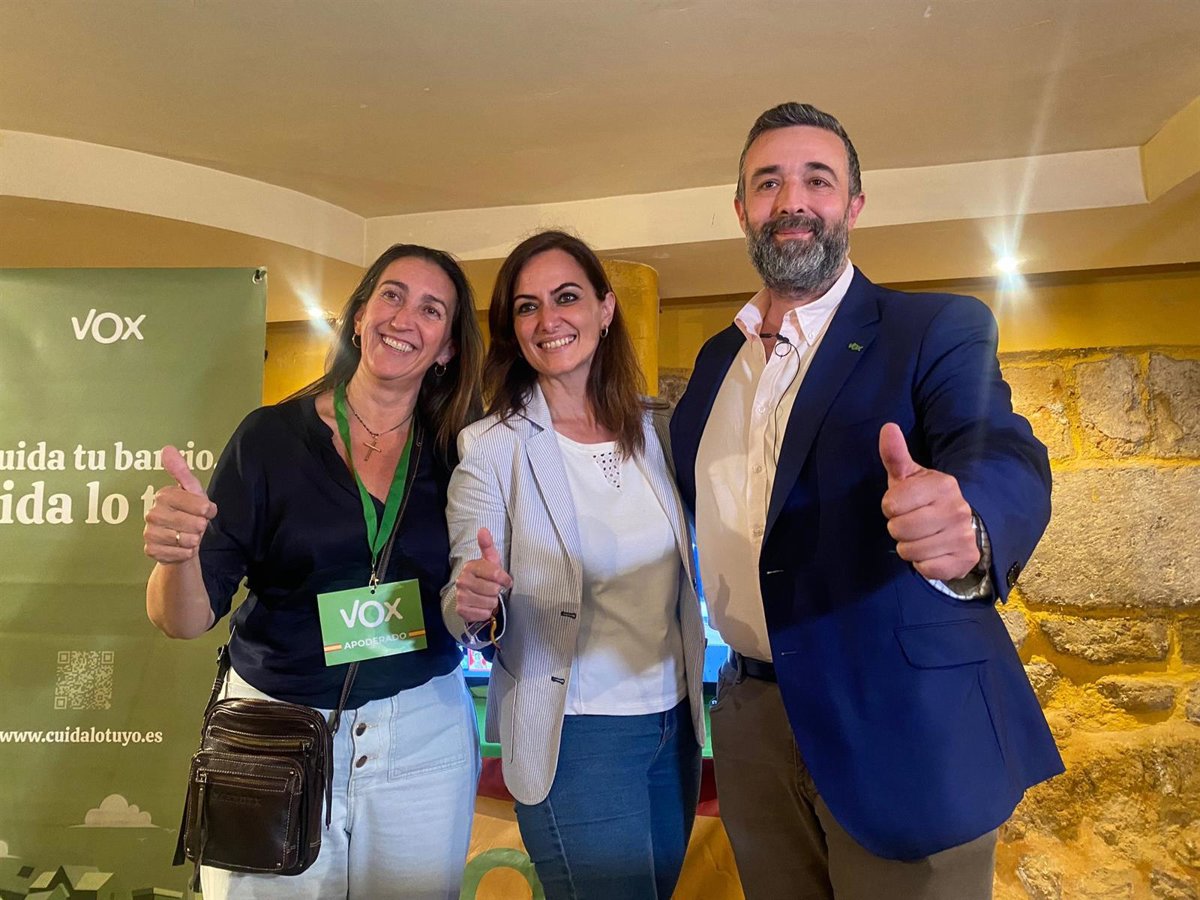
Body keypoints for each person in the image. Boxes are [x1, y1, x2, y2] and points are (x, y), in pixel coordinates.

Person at [669, 102, 1064, 900]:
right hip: (751, 717)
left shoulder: (933, 327)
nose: (792, 201)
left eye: (817, 180)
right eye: (768, 182)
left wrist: (973, 521)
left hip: (899, 719)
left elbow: (999, 447)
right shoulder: (714, 364)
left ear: (853, 204)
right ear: (741, 208)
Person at [143, 244, 485, 900]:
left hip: (421, 737)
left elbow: (480, 598)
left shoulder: (462, 453)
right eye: (391, 295)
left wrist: (483, 601)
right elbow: (181, 619)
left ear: (447, 347)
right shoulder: (269, 439)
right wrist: (176, 557)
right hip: (277, 733)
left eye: (431, 309)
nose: (404, 317)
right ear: (359, 317)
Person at [441, 230, 706, 900]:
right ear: (512, 330)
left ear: (605, 308)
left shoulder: (654, 431)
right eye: (526, 307)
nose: (548, 319)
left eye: (566, 297)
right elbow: (463, 595)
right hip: (576, 735)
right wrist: (474, 603)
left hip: (674, 726)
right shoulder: (492, 446)